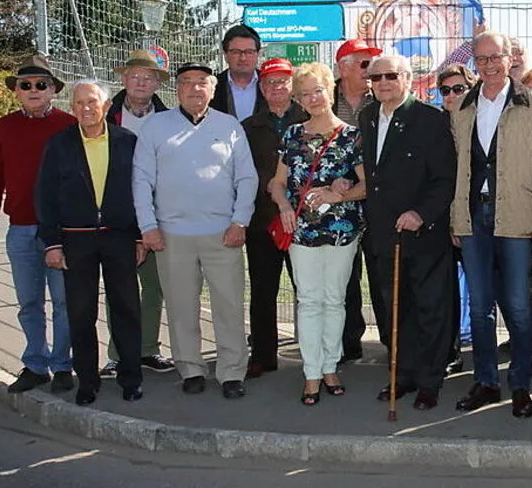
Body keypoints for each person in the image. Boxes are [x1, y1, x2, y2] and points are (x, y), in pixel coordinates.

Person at [133, 62, 257, 399]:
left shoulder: (230, 126)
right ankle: (190, 368)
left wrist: (240, 221)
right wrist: (148, 226)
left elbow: (247, 177)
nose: (194, 88)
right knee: (180, 306)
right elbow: (141, 179)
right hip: (172, 234)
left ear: (213, 89)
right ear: (177, 89)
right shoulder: (156, 126)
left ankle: (232, 372)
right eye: (186, 82)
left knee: (229, 306)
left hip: (223, 233)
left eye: (202, 82)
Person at [451, 32, 532, 418]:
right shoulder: (464, 107)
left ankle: (521, 383)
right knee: (479, 306)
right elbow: (458, 168)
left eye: (495, 57)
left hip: (517, 216)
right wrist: (456, 219)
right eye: (481, 59)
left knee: (518, 304)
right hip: (473, 217)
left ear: (510, 59)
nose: (489, 65)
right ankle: (486, 381)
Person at [36, 80, 144, 405]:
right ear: (72, 108)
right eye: (79, 103)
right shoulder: (59, 145)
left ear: (106, 106)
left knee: (126, 308)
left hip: (119, 236)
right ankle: (87, 381)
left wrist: (140, 236)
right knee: (81, 312)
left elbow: (142, 190)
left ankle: (131, 378)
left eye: (92, 102)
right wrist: (52, 243)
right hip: (76, 239)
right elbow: (45, 195)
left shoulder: (127, 141)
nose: (86, 108)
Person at [360, 56, 458, 410]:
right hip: (383, 231)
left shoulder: (431, 119)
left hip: (422, 232)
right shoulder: (368, 117)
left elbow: (445, 178)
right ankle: (403, 374)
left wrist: (421, 213)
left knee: (430, 308)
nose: (383, 82)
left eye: (391, 75)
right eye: (376, 77)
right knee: (395, 309)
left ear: (407, 78)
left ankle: (430, 381)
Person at [267, 62, 367, 405]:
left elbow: (368, 185)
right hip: (301, 230)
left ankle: (330, 366)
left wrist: (339, 195)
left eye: (318, 91)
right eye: (305, 94)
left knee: (334, 299)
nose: (313, 99)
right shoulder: (292, 135)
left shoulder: (351, 136)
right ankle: (311, 372)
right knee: (309, 300)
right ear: (298, 99)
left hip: (342, 231)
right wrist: (283, 205)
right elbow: (277, 182)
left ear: (331, 90)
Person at [0, 54, 75, 394]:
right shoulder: (3, 127)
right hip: (20, 228)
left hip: (62, 231)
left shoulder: (69, 125)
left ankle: (62, 365)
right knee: (29, 302)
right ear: (17, 91)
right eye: (26, 85)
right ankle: (36, 365)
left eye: (41, 84)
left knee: (65, 302)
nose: (33, 90)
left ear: (52, 90)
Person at [99, 50, 173, 378]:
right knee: (119, 285)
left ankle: (148, 349)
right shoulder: (106, 116)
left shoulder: (169, 119)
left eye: (148, 78)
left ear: (157, 83)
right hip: (116, 213)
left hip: (158, 213)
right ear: (124, 79)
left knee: (154, 286)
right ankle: (118, 354)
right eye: (135, 76)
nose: (141, 83)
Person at [243, 58, 309, 378]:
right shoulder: (249, 127)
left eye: (282, 81)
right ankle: (263, 355)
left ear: (292, 85)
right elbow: (242, 171)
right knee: (262, 290)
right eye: (269, 82)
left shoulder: (309, 118)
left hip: (304, 220)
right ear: (261, 89)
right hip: (262, 220)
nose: (276, 87)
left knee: (307, 290)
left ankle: (314, 354)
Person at [332, 38, 382, 363]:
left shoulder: (382, 100)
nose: (371, 71)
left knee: (380, 274)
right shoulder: (322, 98)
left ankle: (393, 342)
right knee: (343, 277)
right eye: (365, 64)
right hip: (337, 202)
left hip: (376, 200)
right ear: (344, 67)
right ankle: (347, 343)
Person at [436, 64, 478, 374]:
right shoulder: (436, 124)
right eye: (445, 90)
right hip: (443, 219)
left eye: (458, 89)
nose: (451, 95)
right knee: (447, 289)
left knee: (485, 289)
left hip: (478, 218)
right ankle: (451, 351)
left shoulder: (482, 121)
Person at [211, 24, 268, 120]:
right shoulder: (212, 87)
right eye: (236, 52)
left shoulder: (270, 84)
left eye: (249, 52)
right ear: (225, 55)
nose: (243, 58)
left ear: (258, 54)